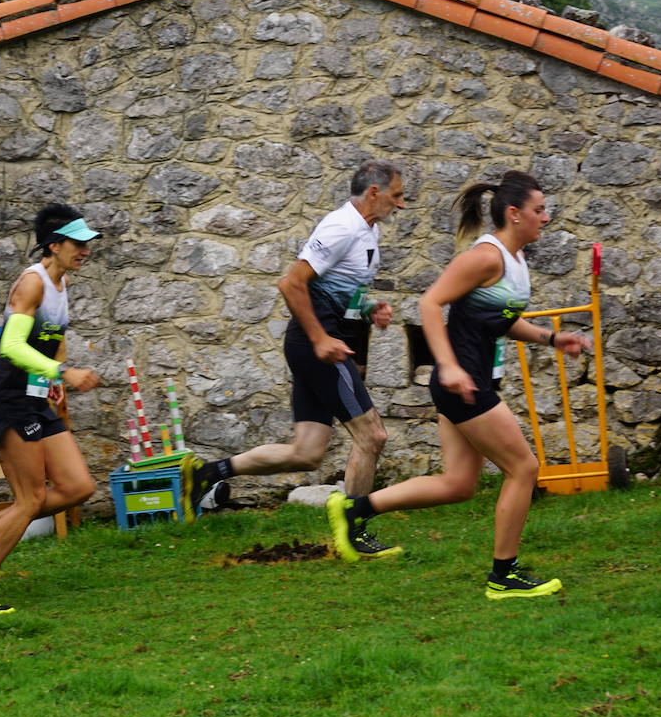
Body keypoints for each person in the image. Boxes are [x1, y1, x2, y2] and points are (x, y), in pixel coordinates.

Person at [327, 171, 590, 600]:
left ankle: (354, 509)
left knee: (459, 484)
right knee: (523, 468)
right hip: (461, 381)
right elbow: (430, 302)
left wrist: (551, 338)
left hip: (467, 382)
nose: (546, 218)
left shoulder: (514, 260)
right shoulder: (486, 256)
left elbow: (499, 320)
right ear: (514, 214)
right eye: (539, 210)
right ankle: (503, 576)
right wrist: (448, 366)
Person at [183, 161, 407, 558]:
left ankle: (209, 473)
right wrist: (321, 339)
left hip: (319, 344)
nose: (401, 205)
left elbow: (338, 291)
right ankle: (355, 533)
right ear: (374, 192)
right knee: (372, 436)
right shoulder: (341, 227)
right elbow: (291, 282)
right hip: (317, 345)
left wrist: (371, 306)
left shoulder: (367, 229)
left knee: (306, 452)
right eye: (397, 195)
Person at [0, 204, 103, 616]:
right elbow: (12, 347)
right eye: (78, 243)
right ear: (54, 245)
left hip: (34, 397)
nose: (86, 250)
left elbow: (48, 339)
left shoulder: (62, 281)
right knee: (30, 497)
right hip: (7, 399)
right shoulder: (31, 284)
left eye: (87, 244)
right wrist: (64, 372)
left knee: (77, 487)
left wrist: (49, 383)